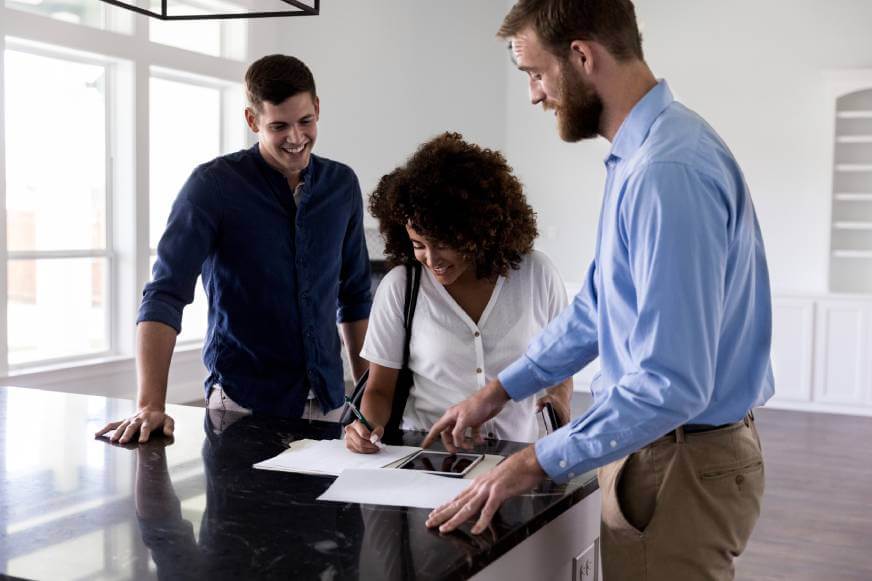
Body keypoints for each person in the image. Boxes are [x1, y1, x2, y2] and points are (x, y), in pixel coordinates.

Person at [423, 2, 774, 580]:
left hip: (679, 454)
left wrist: (536, 461)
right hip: (659, 447)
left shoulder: (667, 170)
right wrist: (499, 391)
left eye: (535, 73)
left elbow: (672, 384)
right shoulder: (642, 153)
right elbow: (599, 307)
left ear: (582, 56)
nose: (535, 95)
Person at [97, 54, 372, 444]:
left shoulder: (341, 185)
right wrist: (149, 404)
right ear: (252, 120)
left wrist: (369, 401)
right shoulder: (213, 187)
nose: (296, 138)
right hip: (241, 406)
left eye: (305, 121)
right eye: (279, 126)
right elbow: (164, 295)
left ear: (318, 108)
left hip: (329, 403)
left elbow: (356, 296)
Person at [345, 132, 572, 454]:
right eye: (418, 245)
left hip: (516, 457)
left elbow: (560, 367)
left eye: (443, 244)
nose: (432, 260)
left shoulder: (536, 274)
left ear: (476, 231)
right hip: (426, 458)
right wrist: (365, 428)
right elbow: (380, 389)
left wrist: (559, 401)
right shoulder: (400, 287)